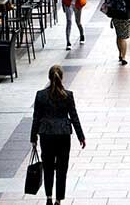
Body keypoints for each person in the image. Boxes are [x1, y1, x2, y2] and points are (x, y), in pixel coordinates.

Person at [30, 65, 86, 205]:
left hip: (46, 134)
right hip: (63, 134)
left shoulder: (40, 95)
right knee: (62, 168)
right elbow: (74, 117)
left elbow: (36, 117)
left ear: (49, 78)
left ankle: (48, 197)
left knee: (48, 167)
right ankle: (58, 200)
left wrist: (33, 137)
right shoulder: (68, 95)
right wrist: (81, 136)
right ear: (62, 77)